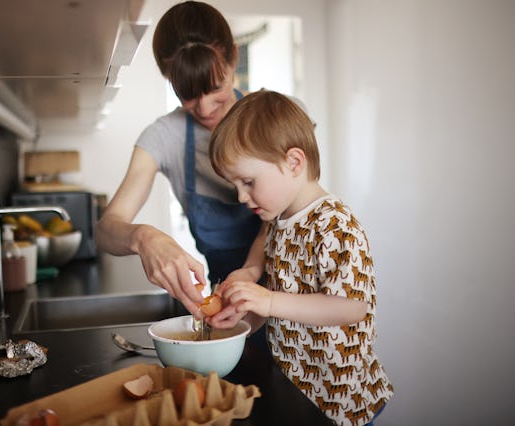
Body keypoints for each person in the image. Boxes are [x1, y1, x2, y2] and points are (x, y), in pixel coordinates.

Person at [208, 90, 394, 425]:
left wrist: (268, 301)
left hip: (341, 401)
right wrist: (244, 316)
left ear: (294, 163)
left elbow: (351, 306)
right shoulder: (278, 221)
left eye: (248, 181)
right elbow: (278, 295)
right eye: (235, 184)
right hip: (297, 391)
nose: (240, 196)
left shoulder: (336, 225)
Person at [95, 1, 267, 315]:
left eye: (215, 87)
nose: (204, 109)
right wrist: (143, 237)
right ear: (168, 78)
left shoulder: (276, 117)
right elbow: (106, 229)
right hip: (227, 307)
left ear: (234, 59)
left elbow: (301, 214)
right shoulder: (166, 136)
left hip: (297, 305)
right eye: (187, 93)